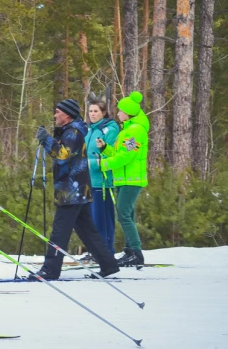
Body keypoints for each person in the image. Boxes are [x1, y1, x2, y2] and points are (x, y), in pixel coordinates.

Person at [31, 99, 119, 281]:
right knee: (87, 230)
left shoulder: (74, 132)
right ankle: (108, 264)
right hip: (77, 189)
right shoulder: (71, 130)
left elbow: (62, 155)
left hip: (72, 191)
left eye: (57, 112)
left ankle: (50, 270)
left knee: (59, 232)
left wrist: (46, 139)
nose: (55, 115)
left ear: (67, 115)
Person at [97, 91, 149, 267]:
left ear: (128, 112)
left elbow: (127, 157)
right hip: (124, 178)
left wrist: (103, 164)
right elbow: (121, 154)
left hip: (131, 179)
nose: (118, 113)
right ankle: (130, 250)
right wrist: (105, 149)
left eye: (120, 110)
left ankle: (136, 252)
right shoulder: (128, 129)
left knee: (123, 214)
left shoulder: (134, 131)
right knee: (128, 215)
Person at [83, 99, 119, 258]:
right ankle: (95, 250)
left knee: (102, 219)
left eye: (96, 111)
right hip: (89, 181)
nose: (92, 114)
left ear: (104, 113)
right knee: (91, 220)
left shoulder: (109, 129)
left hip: (103, 182)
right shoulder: (90, 130)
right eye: (90, 111)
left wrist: (91, 164)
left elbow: (110, 155)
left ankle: (105, 252)